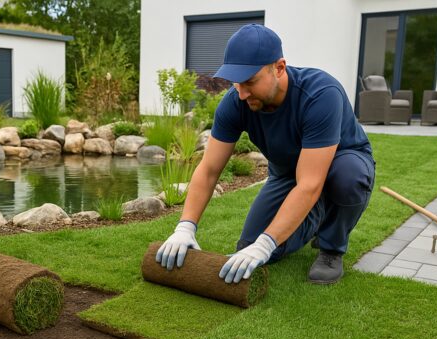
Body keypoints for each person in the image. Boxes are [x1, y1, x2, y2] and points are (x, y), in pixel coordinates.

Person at [155, 24, 375, 285]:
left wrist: (266, 242)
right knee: (249, 246)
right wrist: (185, 227)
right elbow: (209, 169)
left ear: (279, 68)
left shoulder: (320, 94)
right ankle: (313, 216)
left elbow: (310, 183)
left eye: (250, 81)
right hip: (286, 173)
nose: (242, 92)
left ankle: (331, 248)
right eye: (236, 82)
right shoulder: (235, 102)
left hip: (342, 163)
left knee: (348, 178)